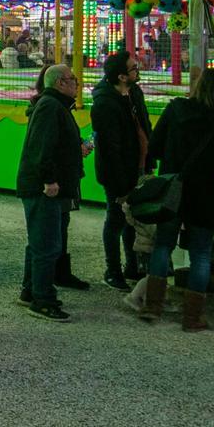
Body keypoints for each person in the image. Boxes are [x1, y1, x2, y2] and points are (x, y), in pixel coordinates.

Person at [141, 67, 214, 330]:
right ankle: (192, 316)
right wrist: (212, 160)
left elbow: (155, 147)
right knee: (200, 254)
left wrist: (175, 157)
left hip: (172, 189)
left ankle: (153, 306)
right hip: (205, 193)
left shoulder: (175, 109)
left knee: (163, 245)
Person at [16, 64, 84, 321]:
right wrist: (49, 180)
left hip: (47, 185)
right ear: (59, 83)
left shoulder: (54, 106)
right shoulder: (50, 107)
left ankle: (30, 291)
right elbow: (41, 147)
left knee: (40, 241)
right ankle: (43, 299)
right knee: (47, 244)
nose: (76, 83)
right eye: (72, 79)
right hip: (44, 188)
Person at [90, 51, 151, 291]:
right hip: (117, 171)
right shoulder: (105, 104)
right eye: (134, 69)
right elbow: (109, 149)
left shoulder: (134, 93)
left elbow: (144, 125)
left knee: (132, 219)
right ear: (122, 76)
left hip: (138, 165)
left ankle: (132, 264)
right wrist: (118, 183)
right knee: (116, 219)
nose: (138, 71)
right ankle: (112, 270)